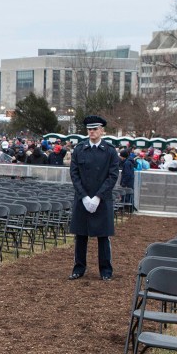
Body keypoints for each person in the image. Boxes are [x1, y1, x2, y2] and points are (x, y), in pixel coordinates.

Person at [68, 114, 121, 281]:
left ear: (102, 131)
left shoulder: (110, 151)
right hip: (82, 198)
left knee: (103, 237)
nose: (92, 132)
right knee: (81, 236)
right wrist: (84, 197)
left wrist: (98, 197)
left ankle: (105, 270)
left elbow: (112, 176)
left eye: (95, 129)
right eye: (89, 129)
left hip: (102, 199)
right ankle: (79, 268)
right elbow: (74, 174)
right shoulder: (79, 149)